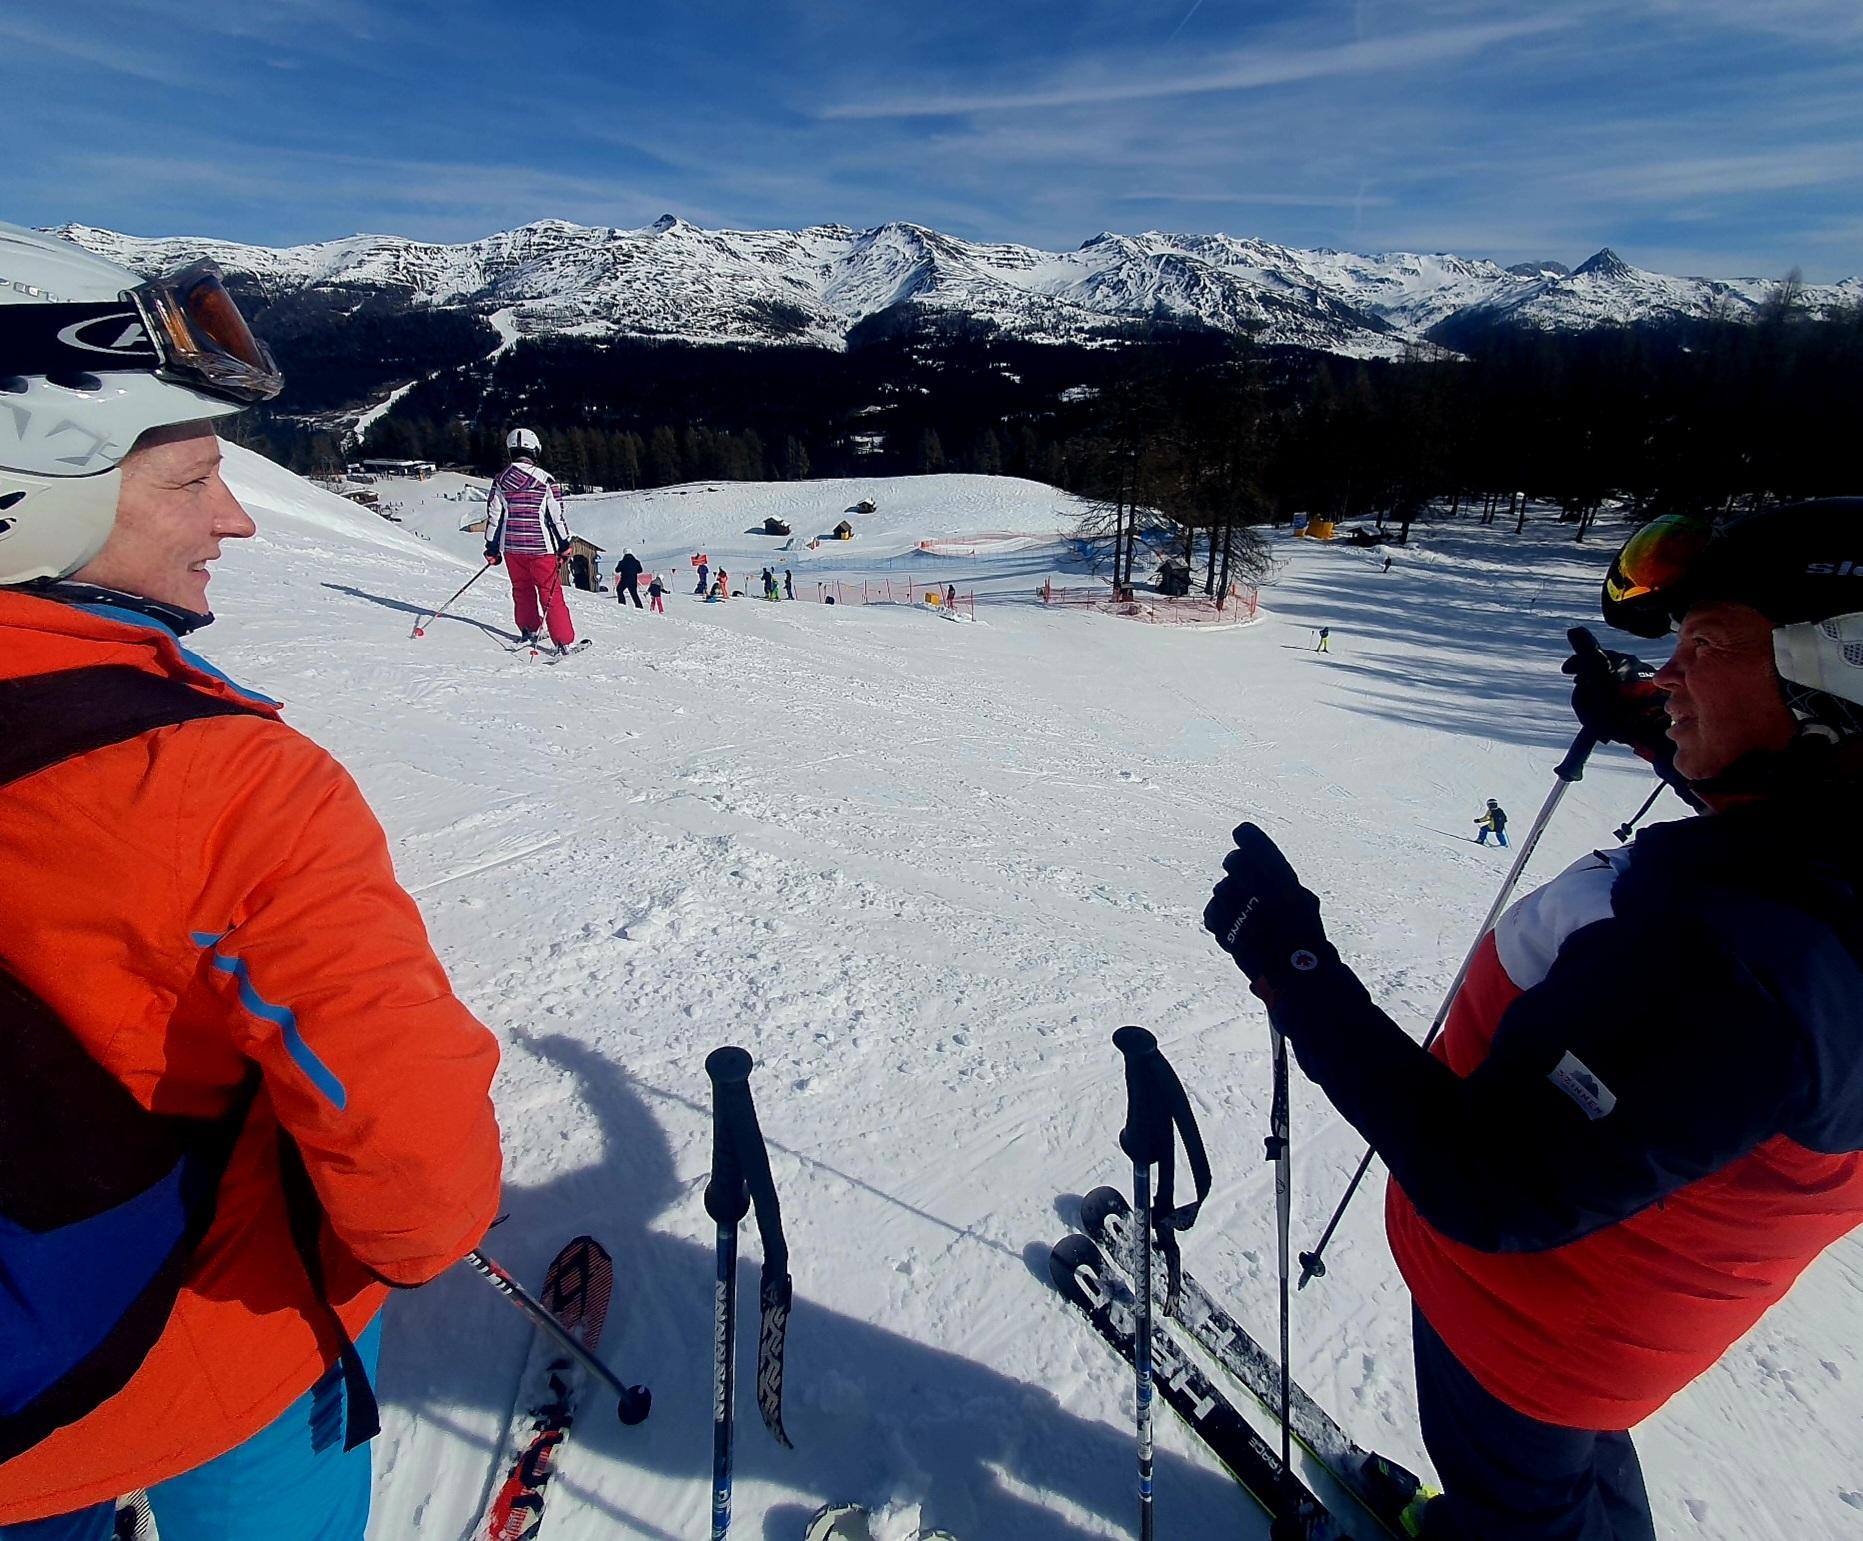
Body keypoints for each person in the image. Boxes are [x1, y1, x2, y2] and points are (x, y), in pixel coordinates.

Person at [1202, 500, 1863, 1541]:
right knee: (1558, 1471)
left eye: (1705, 646)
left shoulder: (1761, 975)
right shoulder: (1819, 875)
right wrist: (1661, 731)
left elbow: (1490, 1177)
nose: (1667, 674)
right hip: (1590, 1315)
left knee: (1522, 1495)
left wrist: (1297, 968)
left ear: (1837, 674)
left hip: (1529, 1320)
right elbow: (1795, 841)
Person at [0, 225, 503, 1538]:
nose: (230, 517)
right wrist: (423, 1231)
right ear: (28, 491)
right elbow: (414, 1193)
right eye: (190, 478)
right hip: (212, 1354)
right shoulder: (224, 787)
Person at [484, 430, 578, 654]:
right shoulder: (545, 480)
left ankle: (529, 629)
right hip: (541, 548)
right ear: (535, 450)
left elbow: (494, 516)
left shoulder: (500, 480)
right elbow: (556, 517)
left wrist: (491, 547)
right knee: (550, 592)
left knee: (521, 588)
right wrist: (564, 543)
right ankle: (563, 641)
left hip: (512, 548)